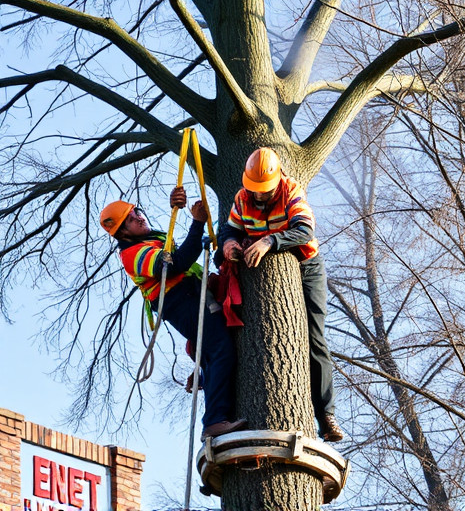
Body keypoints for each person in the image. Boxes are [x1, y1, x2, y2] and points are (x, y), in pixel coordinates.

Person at [215, 147, 343, 442]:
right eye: (254, 190)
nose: (258, 196)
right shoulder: (242, 197)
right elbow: (228, 229)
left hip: (306, 266)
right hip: (262, 274)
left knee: (315, 338)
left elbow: (305, 230)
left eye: (264, 190)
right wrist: (229, 244)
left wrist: (270, 241)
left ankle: (325, 414)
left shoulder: (290, 191)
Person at [100, 187, 246, 440]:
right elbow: (176, 264)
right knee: (220, 348)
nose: (138, 216)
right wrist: (197, 223)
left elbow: (175, 253)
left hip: (189, 296)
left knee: (217, 349)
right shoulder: (132, 254)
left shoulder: (150, 240)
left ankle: (207, 381)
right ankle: (214, 421)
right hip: (180, 302)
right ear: (122, 232)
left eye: (136, 211)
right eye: (130, 219)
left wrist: (177, 207)